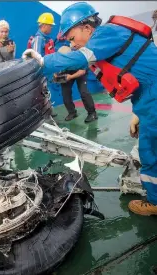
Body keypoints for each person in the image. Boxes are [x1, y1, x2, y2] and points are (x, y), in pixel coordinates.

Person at [23, 2, 157, 216]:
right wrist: (138, 114)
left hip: (154, 96)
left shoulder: (105, 35)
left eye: (71, 35)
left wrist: (40, 62)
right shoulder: (109, 38)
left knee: (151, 150)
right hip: (148, 98)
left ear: (86, 27)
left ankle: (155, 202)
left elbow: (79, 58)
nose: (70, 42)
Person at [54, 45, 97, 122]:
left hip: (79, 71)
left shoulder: (79, 58)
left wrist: (70, 77)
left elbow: (82, 71)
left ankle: (92, 113)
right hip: (67, 71)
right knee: (65, 93)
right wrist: (56, 74)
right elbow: (54, 68)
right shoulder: (59, 58)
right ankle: (72, 113)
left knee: (84, 91)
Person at [29, 13, 58, 117]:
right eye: (50, 25)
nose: (51, 28)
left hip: (46, 71)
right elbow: (36, 58)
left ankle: (48, 110)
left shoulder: (45, 38)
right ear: (44, 25)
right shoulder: (39, 39)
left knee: (46, 91)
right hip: (41, 72)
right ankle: (44, 113)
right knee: (42, 92)